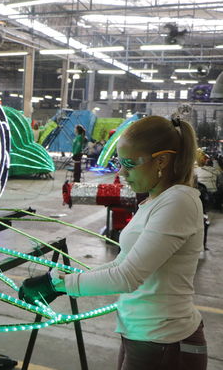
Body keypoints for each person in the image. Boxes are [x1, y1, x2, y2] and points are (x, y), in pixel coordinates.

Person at [19, 115, 207, 370]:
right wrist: (57, 281)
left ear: (161, 160)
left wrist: (61, 287)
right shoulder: (155, 199)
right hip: (142, 334)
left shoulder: (178, 202)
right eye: (120, 162)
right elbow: (122, 263)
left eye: (130, 164)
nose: (122, 173)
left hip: (164, 340)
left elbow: (127, 277)